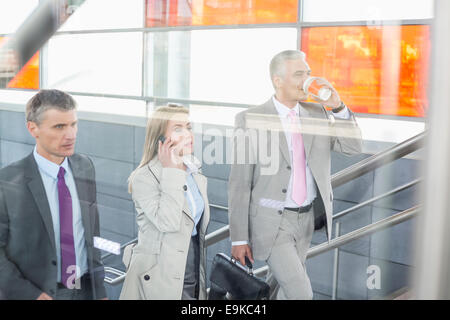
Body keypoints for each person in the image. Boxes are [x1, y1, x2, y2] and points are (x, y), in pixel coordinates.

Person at [228, 50, 362, 300]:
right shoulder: (250, 119)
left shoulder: (318, 113)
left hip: (307, 219)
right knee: (301, 292)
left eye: (308, 73)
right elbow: (240, 183)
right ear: (277, 80)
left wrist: (338, 107)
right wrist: (239, 238)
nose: (307, 80)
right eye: (299, 74)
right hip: (272, 223)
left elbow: (353, 147)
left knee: (281, 290)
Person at [0, 89, 107, 300]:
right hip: (38, 293)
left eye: (73, 124)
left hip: (84, 290)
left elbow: (92, 233)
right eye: (59, 126)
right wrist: (32, 295)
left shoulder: (84, 166)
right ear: (33, 128)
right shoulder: (7, 181)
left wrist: (99, 290)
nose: (70, 134)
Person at [120, 104, 210, 300]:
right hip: (160, 272)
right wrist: (171, 171)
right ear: (161, 139)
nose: (187, 134)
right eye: (178, 129)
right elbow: (168, 222)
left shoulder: (193, 169)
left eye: (188, 127)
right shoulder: (144, 177)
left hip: (192, 263)